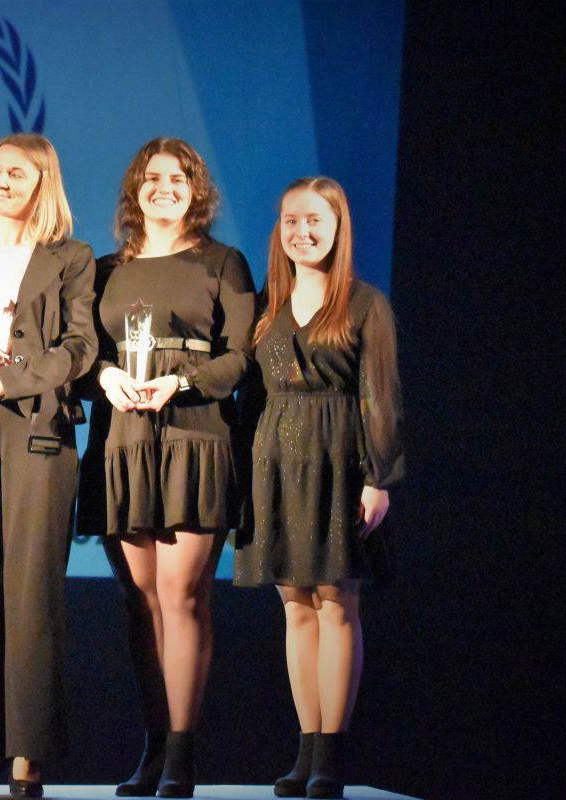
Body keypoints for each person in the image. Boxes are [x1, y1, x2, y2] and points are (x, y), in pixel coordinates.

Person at [79, 138, 255, 798]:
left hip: (195, 435)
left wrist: (180, 384)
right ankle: (154, 748)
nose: (164, 188)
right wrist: (105, 377)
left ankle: (182, 752)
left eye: (178, 179)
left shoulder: (222, 262)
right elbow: (83, 354)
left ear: (195, 190)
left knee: (183, 597)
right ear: (135, 189)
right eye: (152, 178)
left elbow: (240, 356)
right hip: (123, 439)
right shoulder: (106, 270)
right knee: (142, 601)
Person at [234, 177, 404, 799]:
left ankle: (331, 753)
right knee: (295, 607)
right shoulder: (266, 307)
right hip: (277, 463)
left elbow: (380, 395)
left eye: (314, 221)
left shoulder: (364, 303)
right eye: (291, 221)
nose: (301, 232)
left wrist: (377, 477)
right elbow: (251, 397)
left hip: (339, 461)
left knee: (336, 603)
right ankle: (305, 749)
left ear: (337, 228)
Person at [0, 132, 97, 798]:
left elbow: (80, 345)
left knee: (31, 595)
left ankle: (28, 752)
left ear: (43, 185)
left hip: (36, 431)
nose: (1, 182)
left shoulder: (71, 258)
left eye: (18, 174)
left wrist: (17, 377)